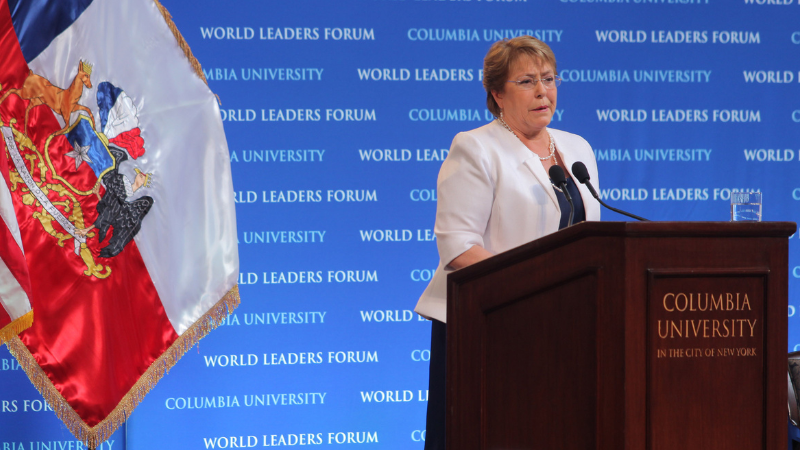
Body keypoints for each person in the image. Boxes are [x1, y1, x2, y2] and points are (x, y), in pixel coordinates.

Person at [414, 35, 601, 450]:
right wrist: (530, 289)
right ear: (497, 93)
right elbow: (459, 249)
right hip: (488, 322)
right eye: (527, 81)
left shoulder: (577, 148)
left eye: (549, 79)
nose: (542, 91)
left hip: (562, 323)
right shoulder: (477, 148)